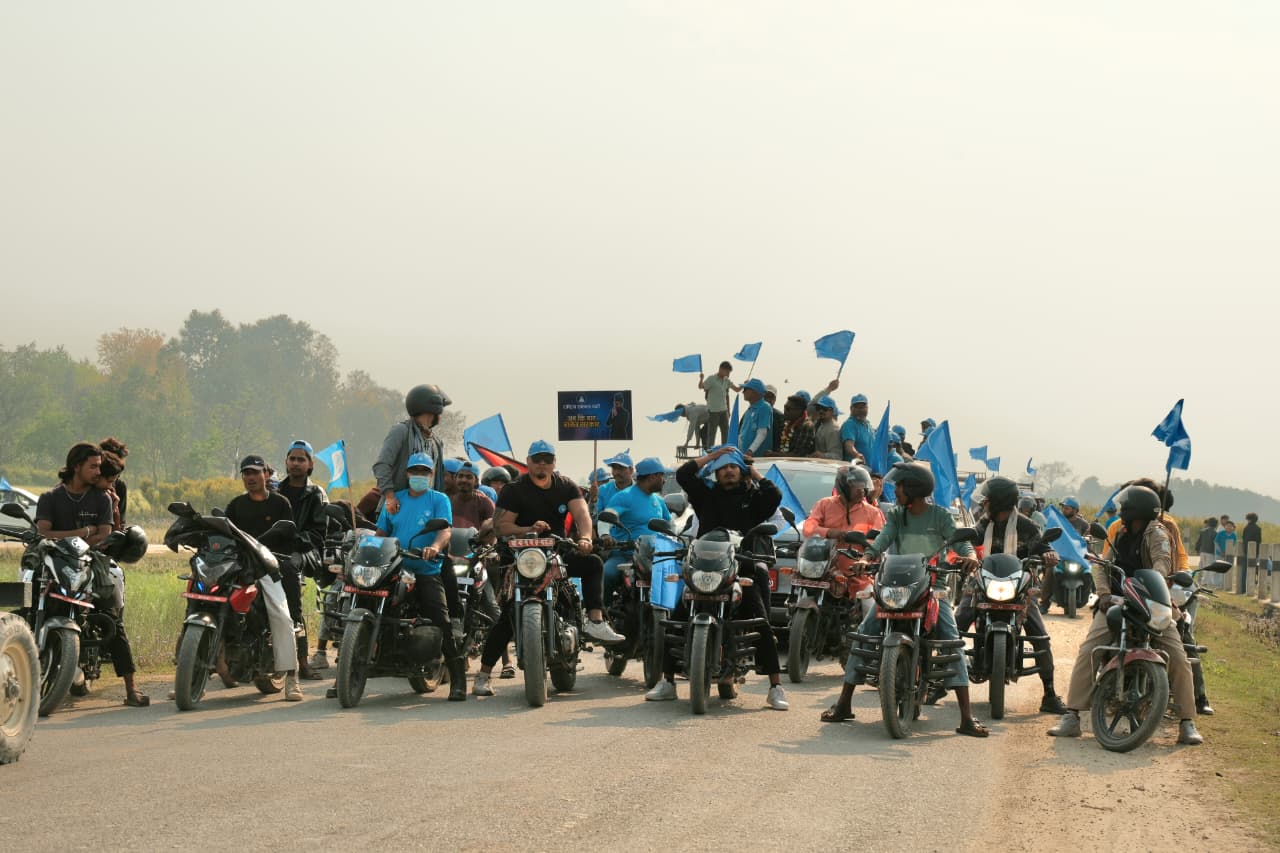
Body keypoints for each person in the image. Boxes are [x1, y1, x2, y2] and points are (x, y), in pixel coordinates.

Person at [821, 461, 989, 737]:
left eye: (899, 486)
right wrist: (866, 558)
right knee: (863, 635)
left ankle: (967, 717)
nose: (895, 490)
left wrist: (969, 556)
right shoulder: (897, 515)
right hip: (895, 586)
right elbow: (882, 541)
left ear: (914, 489)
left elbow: (961, 542)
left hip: (933, 587)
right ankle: (843, 704)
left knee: (951, 641)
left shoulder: (940, 517)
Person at [1048, 485, 1204, 744]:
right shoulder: (1120, 532)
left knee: (1178, 656)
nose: (1120, 511)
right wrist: (1103, 593)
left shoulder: (1157, 534)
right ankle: (1072, 716)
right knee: (1089, 650)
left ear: (1135, 510)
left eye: (1124, 507)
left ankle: (1187, 722)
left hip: (1151, 601)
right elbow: (1103, 565)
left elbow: (1163, 561)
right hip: (1117, 601)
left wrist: (1157, 582)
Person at [472, 441, 625, 697]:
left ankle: (595, 620)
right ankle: (484, 675)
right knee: (508, 614)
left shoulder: (565, 485)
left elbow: (582, 515)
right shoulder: (514, 489)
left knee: (593, 563)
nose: (542, 464)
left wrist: (585, 538)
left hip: (557, 553)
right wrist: (528, 529)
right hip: (521, 557)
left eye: (547, 459)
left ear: (554, 463)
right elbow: (501, 526)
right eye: (537, 459)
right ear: (528, 462)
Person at [646, 445, 790, 710]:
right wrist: (712, 455)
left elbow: (775, 494)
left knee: (761, 622)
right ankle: (667, 682)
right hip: (703, 569)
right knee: (676, 620)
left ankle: (775, 687)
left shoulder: (754, 498)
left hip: (741, 568)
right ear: (716, 472)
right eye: (723, 467)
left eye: (733, 466)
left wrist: (753, 470)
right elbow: (684, 475)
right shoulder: (706, 495)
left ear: (742, 470)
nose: (728, 471)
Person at [36, 442, 149, 708]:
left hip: (92, 563)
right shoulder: (50, 497)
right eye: (94, 466)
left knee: (112, 620)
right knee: (30, 604)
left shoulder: (101, 498)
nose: (99, 472)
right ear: (77, 466)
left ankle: (131, 688)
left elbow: (105, 534)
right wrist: (85, 532)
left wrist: (68, 539)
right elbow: (43, 533)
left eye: (100, 467)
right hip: (55, 564)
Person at [956, 477, 1067, 714]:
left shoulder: (1027, 526)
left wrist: (1050, 555)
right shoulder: (984, 523)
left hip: (1020, 587)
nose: (983, 503)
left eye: (987, 500)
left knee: (1040, 636)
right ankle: (939, 680)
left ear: (998, 501)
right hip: (984, 582)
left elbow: (1043, 546)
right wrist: (964, 551)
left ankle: (1049, 693)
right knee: (957, 624)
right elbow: (970, 540)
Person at [374, 453, 467, 701]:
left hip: (426, 570)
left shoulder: (438, 499)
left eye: (424, 472)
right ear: (407, 474)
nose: (419, 476)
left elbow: (445, 531)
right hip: (394, 570)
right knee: (367, 605)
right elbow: (381, 532)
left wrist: (435, 547)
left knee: (441, 620)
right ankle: (350, 669)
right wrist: (369, 548)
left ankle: (458, 678)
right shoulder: (395, 501)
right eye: (415, 471)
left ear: (431, 475)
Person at [224, 454, 305, 701]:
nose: (251, 477)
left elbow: (290, 536)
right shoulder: (236, 505)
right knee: (211, 600)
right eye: (246, 473)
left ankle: (292, 678)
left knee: (282, 617)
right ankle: (191, 674)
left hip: (269, 567)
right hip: (241, 567)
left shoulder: (280, 504)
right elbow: (226, 534)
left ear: (266, 475)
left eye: (255, 472)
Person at [276, 440, 329, 680]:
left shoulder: (316, 494)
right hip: (276, 549)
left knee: (290, 578)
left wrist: (293, 539)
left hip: (306, 552)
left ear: (310, 465)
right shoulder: (276, 490)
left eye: (301, 459)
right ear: (286, 462)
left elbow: (318, 534)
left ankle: (303, 662)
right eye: (292, 458)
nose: (296, 463)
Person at [801, 466, 884, 597]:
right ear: (843, 487)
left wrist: (865, 557)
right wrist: (831, 533)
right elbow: (808, 529)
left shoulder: (873, 512)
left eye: (864, 487)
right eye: (857, 486)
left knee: (869, 604)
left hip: (857, 573)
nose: (862, 491)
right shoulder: (824, 504)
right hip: (821, 571)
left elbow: (879, 541)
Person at [601, 457, 673, 602]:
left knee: (679, 577)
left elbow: (670, 525)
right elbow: (606, 517)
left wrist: (677, 539)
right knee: (606, 574)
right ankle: (602, 612)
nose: (664, 480)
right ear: (652, 477)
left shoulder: (658, 500)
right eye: (662, 476)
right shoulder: (624, 496)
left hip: (655, 557)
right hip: (625, 555)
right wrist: (605, 535)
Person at [373, 384, 452, 513]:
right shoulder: (401, 431)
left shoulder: (436, 442)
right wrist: (390, 496)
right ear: (434, 408)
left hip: (424, 511)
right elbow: (382, 465)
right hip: (397, 509)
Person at [698, 361, 740, 448]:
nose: (728, 374)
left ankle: (725, 450)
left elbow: (737, 389)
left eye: (729, 372)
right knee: (712, 434)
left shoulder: (726, 380)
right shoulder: (711, 379)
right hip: (713, 411)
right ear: (721, 369)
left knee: (726, 432)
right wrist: (701, 378)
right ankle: (710, 451)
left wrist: (744, 384)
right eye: (727, 372)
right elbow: (701, 386)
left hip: (723, 411)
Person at [450, 460, 495, 538]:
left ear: (476, 481)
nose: (464, 480)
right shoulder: (447, 501)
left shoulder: (485, 503)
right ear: (455, 479)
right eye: (460, 476)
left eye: (469, 477)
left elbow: (493, 529)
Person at [737, 378, 774, 458]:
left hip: (757, 458)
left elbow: (762, 433)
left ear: (755, 391)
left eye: (745, 389)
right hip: (744, 456)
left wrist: (750, 451)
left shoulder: (764, 407)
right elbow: (741, 435)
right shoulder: (749, 410)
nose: (743, 392)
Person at [591, 452, 634, 517]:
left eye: (621, 468)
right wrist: (593, 500)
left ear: (631, 470)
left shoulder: (641, 490)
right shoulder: (602, 490)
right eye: (614, 468)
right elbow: (594, 517)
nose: (616, 472)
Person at [840, 394, 874, 463]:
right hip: (855, 467)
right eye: (857, 407)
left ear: (867, 408)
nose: (860, 410)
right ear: (851, 408)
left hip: (869, 468)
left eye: (862, 407)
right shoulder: (850, 424)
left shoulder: (868, 425)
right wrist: (856, 455)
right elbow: (849, 446)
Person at [810, 396, 842, 460]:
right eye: (818, 408)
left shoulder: (833, 430)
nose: (821, 411)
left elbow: (837, 456)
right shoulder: (822, 425)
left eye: (824, 409)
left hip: (828, 466)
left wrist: (821, 455)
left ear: (832, 411)